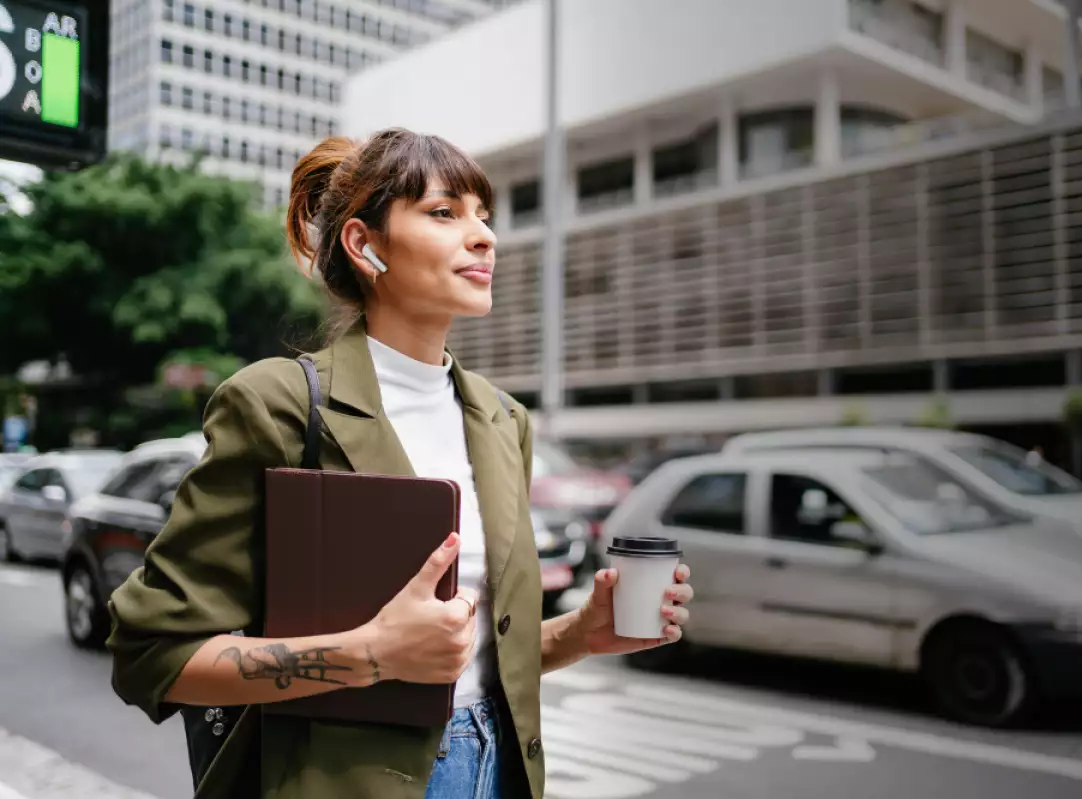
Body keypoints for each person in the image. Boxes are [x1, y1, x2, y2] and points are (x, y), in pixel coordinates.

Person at [106, 128, 694, 799]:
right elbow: (153, 652)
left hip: (499, 769)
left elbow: (472, 652)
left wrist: (581, 631)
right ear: (364, 244)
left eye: (484, 215)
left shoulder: (505, 420)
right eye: (445, 212)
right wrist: (369, 654)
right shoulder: (278, 403)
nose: (483, 236)